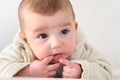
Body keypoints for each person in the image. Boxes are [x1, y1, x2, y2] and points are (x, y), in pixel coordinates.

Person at [0, 0, 112, 79]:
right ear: (26, 40)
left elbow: (106, 71)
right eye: (43, 36)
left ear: (74, 28)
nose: (56, 44)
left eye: (64, 32)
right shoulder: (20, 50)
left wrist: (82, 71)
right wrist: (28, 71)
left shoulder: (82, 50)